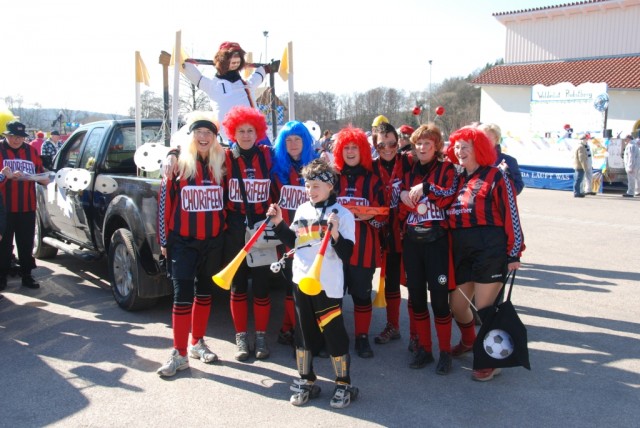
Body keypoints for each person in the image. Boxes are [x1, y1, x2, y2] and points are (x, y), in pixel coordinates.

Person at [418, 126, 525, 381]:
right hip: (461, 250)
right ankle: (469, 340)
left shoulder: (497, 176)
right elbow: (441, 197)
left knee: (485, 309)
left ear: (480, 149)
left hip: (490, 250)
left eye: (465, 147)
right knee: (457, 306)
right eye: (456, 147)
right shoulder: (457, 178)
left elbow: (511, 214)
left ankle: (491, 361)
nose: (459, 151)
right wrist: (423, 188)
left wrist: (514, 252)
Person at [267, 158, 359, 409]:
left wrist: (335, 233)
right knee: (303, 333)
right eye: (308, 185)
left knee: (334, 334)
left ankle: (343, 384)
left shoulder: (343, 214)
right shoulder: (302, 210)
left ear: (330, 186)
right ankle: (306, 380)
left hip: (327, 285)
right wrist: (278, 223)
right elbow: (294, 242)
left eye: (316, 185)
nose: (310, 190)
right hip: (301, 280)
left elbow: (347, 254)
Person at [156, 114, 226, 377]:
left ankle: (197, 342)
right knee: (182, 296)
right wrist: (164, 241)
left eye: (209, 133)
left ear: (215, 138)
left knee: (205, 293)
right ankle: (179, 353)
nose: (204, 137)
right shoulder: (178, 165)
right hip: (183, 242)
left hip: (213, 241)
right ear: (192, 136)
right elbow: (164, 203)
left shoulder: (222, 163)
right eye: (199, 133)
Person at [399, 123, 456, 374]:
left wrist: (427, 187)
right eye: (419, 143)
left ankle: (445, 352)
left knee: (440, 300)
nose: (422, 148)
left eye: (427, 144)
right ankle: (425, 349)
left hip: (437, 242)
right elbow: (398, 205)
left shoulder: (447, 169)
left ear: (437, 146)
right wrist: (402, 196)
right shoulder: (409, 171)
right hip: (413, 241)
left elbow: (450, 195)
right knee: (417, 298)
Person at [222, 106, 276, 361]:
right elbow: (195, 149)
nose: (245, 135)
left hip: (262, 226)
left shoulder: (267, 154)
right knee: (238, 284)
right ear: (233, 132)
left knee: (263, 286)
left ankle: (261, 337)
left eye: (250, 130)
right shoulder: (224, 156)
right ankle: (241, 337)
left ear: (258, 132)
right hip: (235, 227)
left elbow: (297, 156)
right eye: (241, 130)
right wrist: (172, 154)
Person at [333, 126, 387, 358]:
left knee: (362, 296)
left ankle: (362, 337)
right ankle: (334, 337)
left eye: (355, 147)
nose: (350, 151)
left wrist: (371, 217)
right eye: (346, 147)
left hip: (363, 248)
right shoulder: (333, 178)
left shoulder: (373, 180)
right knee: (333, 295)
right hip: (334, 249)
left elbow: (384, 215)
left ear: (363, 150)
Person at [270, 121, 319, 346]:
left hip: (313, 234)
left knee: (310, 282)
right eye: (288, 140)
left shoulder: (318, 166)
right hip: (286, 234)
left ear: (305, 141)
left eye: (297, 139)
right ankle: (292, 328)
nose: (293, 144)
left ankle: (298, 328)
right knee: (291, 283)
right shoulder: (277, 168)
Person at [370, 122, 414, 349]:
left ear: (398, 143)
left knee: (415, 283)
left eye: (391, 144)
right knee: (392, 281)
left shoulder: (409, 161)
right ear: (374, 145)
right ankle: (393, 325)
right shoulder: (370, 166)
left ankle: (417, 333)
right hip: (385, 232)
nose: (387, 149)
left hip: (410, 230)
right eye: (381, 145)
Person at [183, 42, 273, 143]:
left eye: (237, 60)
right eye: (231, 60)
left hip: (255, 132)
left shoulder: (245, 84)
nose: (235, 63)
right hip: (232, 136)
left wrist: (264, 69)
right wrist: (186, 65)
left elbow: (256, 78)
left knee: (266, 152)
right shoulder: (213, 85)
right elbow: (198, 78)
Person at [0, 121, 51, 290]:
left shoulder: (31, 150)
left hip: (27, 206)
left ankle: (27, 275)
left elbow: (39, 171)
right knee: (3, 244)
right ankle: (1, 276)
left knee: (26, 243)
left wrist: (44, 179)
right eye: (13, 136)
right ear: (6, 135)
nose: (16, 140)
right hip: (4, 208)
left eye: (20, 137)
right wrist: (4, 176)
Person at [478, 123, 525, 195]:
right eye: (480, 138)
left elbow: (517, 187)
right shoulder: (471, 159)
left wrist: (504, 176)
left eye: (487, 139)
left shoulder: (509, 161)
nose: (483, 142)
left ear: (496, 139)